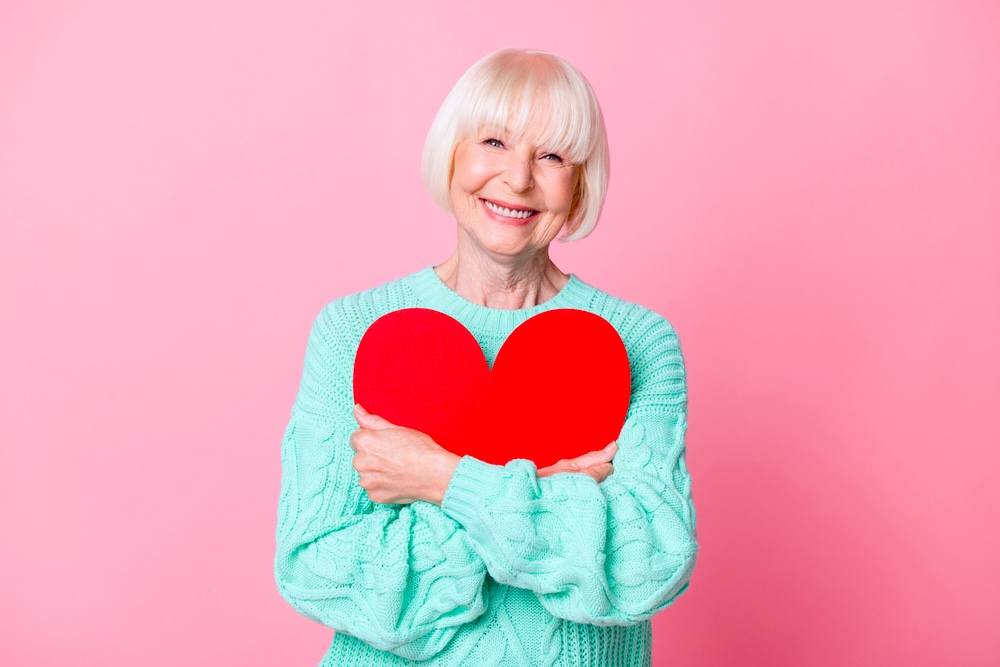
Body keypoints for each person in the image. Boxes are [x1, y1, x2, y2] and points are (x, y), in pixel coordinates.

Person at [275, 48, 698, 667]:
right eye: (494, 142)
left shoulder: (639, 341)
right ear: (452, 153)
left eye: (551, 155)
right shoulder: (352, 331)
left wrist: (446, 481)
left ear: (580, 182)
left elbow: (647, 565)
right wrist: (548, 492)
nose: (518, 179)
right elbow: (316, 566)